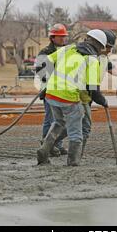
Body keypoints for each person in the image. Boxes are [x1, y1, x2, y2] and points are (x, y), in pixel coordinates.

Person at [37, 29, 109, 166]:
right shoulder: (92, 60)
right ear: (98, 46)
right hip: (69, 97)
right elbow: (92, 89)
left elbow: (47, 61)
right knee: (76, 132)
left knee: (58, 123)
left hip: (52, 93)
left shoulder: (69, 48)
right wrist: (103, 101)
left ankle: (44, 150)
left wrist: (48, 82)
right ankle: (73, 162)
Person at [35, 23, 69, 157]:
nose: (63, 39)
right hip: (49, 91)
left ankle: (57, 145)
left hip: (63, 91)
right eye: (60, 37)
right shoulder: (44, 53)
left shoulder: (67, 51)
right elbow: (41, 72)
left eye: (64, 37)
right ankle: (46, 145)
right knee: (50, 119)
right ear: (52, 38)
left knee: (61, 119)